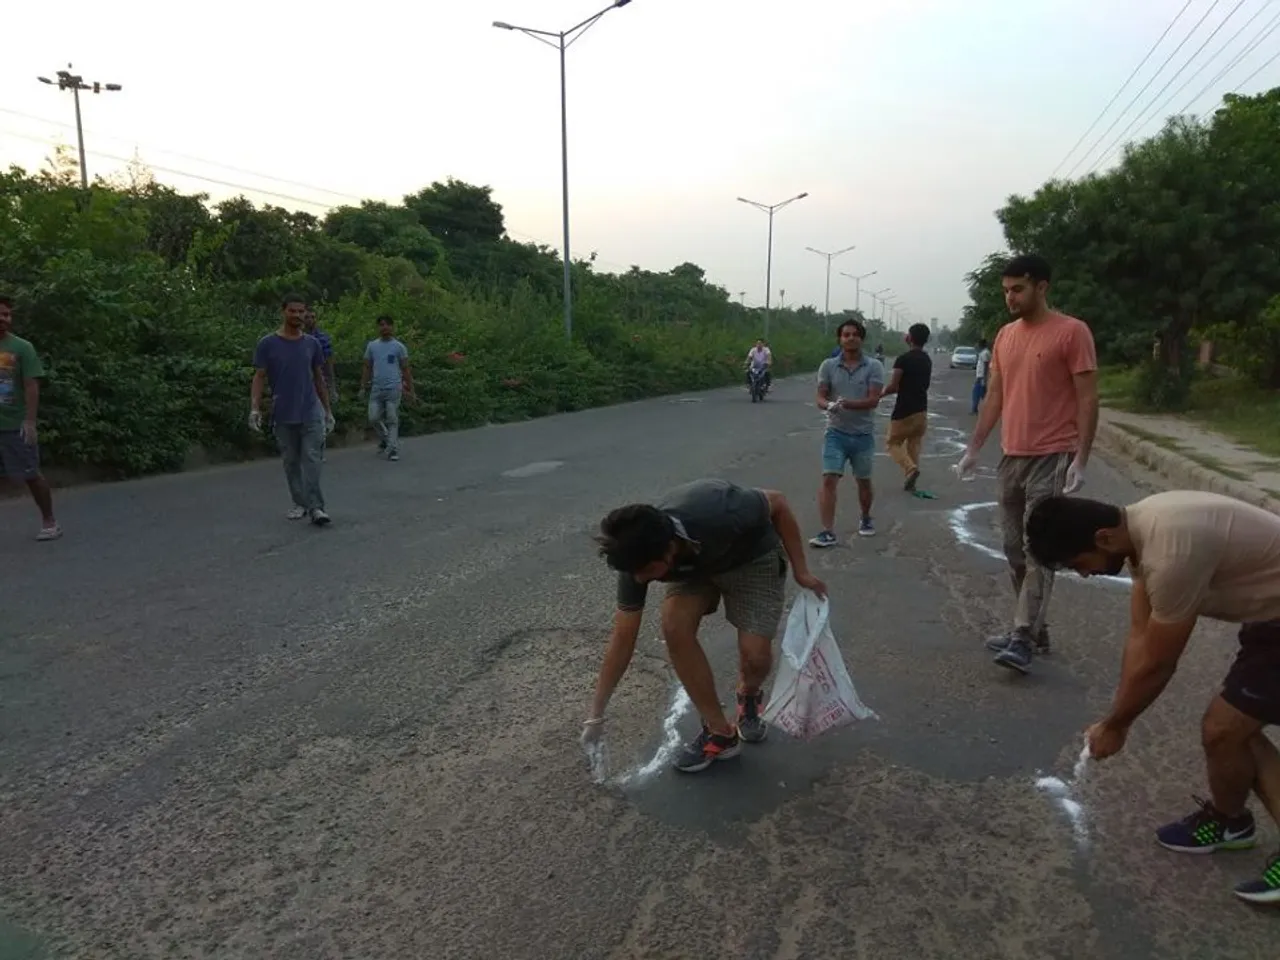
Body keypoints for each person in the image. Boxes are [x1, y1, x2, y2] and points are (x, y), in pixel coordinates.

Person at [1025, 491, 1280, 904]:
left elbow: (1161, 664)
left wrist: (1118, 726)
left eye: (1079, 565)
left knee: (1225, 730)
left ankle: (1231, 820)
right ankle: (1231, 822)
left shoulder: (1169, 555)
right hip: (1269, 617)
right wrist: (1115, 716)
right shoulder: (1142, 527)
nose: (1085, 575)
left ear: (1103, 537)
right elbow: (1141, 639)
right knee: (1233, 733)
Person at [582, 479, 828, 773]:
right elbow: (623, 638)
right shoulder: (636, 559)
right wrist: (595, 716)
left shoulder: (720, 511)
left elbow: (779, 502)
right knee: (674, 626)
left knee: (756, 658)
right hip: (693, 572)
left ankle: (748, 694)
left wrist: (801, 570)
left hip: (751, 559)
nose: (639, 580)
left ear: (669, 549)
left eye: (647, 571)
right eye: (634, 573)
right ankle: (720, 733)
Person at [956, 254, 1098, 673]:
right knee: (1013, 549)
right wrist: (974, 447)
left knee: (1040, 548)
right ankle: (1035, 627)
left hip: (1052, 455)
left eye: (1017, 289)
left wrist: (1081, 459)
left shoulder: (1072, 333)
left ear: (1042, 288)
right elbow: (996, 395)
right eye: (1005, 290)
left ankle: (1021, 637)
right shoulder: (1005, 336)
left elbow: (1088, 397)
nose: (1010, 297)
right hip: (1012, 455)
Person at [250, 295, 335, 525]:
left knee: (312, 458)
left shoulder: (312, 344)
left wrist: (327, 410)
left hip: (310, 411)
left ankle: (317, 507)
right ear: (283, 312)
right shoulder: (267, 343)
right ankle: (300, 503)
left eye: (301, 312)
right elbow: (259, 376)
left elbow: (319, 377)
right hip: (283, 412)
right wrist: (255, 409)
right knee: (291, 461)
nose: (298, 316)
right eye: (293, 311)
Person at [810, 318, 885, 546]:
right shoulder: (828, 366)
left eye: (855, 334)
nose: (850, 338)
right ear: (840, 339)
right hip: (836, 432)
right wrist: (827, 405)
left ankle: (865, 517)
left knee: (863, 481)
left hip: (863, 434)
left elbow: (873, 400)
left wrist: (847, 403)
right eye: (846, 334)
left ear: (861, 339)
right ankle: (827, 531)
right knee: (829, 479)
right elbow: (820, 396)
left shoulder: (874, 366)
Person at [0, 296, 60, 541]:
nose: (3, 319)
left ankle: (49, 521)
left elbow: (31, 386)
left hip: (14, 424)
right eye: (0, 314)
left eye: (7, 315)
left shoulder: (22, 348)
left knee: (31, 474)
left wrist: (30, 422)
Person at [879, 322, 932, 493]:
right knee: (914, 445)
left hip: (904, 409)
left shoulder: (903, 359)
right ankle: (911, 479)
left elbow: (894, 386)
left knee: (892, 442)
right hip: (922, 409)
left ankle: (910, 470)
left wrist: (879, 394)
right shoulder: (927, 359)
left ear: (909, 338)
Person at [360, 315, 414, 462]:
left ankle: (393, 449)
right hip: (377, 388)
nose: (384, 327)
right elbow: (367, 366)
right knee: (373, 417)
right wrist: (363, 386)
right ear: (378, 327)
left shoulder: (399, 347)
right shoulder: (372, 346)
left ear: (392, 327)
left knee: (392, 418)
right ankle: (385, 438)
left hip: (393, 389)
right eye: (381, 325)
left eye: (387, 325)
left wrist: (411, 389)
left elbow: (406, 369)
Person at [302, 307, 338, 405]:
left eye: (313, 317)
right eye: (307, 317)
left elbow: (328, 363)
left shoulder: (322, 338)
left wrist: (332, 387)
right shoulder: (296, 337)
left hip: (320, 379)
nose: (310, 320)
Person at [972, 337, 992, 414]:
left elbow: (986, 366)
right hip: (980, 376)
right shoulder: (983, 353)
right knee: (982, 394)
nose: (977, 346)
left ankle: (975, 409)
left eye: (978, 344)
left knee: (977, 393)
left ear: (981, 345)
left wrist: (984, 378)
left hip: (981, 377)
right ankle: (976, 409)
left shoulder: (985, 353)